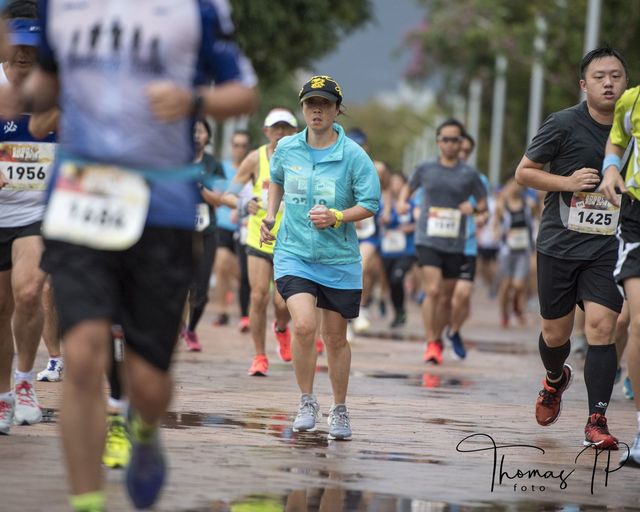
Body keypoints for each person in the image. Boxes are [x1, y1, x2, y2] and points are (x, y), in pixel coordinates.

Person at [0, 2, 257, 511]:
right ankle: (87, 502)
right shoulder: (61, 7)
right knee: (82, 355)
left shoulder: (198, 8)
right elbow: (45, 90)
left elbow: (243, 91)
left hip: (162, 205)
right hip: (82, 197)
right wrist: (23, 90)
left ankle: (142, 428)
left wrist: (192, 99)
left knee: (149, 383)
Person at [515, 47, 628, 450]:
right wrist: (567, 182)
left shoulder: (633, 130)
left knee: (602, 328)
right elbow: (524, 173)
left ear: (626, 83)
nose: (608, 83)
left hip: (609, 247)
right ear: (584, 85)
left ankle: (597, 419)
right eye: (599, 77)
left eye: (616, 76)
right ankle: (555, 379)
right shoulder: (563, 123)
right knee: (555, 335)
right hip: (560, 244)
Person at [261, 75, 380, 440]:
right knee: (302, 326)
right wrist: (271, 215)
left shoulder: (354, 156)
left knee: (335, 338)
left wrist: (337, 216)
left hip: (338, 258)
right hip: (293, 251)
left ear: (336, 110)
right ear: (302, 109)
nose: (317, 111)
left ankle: (340, 409)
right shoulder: (287, 148)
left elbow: (371, 203)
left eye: (325, 104)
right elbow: (276, 179)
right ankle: (306, 401)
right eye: (311, 104)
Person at [0, 5, 56, 433]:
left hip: (36, 213)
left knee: (29, 291)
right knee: (1, 307)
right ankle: (3, 395)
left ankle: (24, 382)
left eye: (32, 46)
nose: (23, 54)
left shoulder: (58, 92)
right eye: (17, 44)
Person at [397, 119, 487, 365]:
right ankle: (430, 342)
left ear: (461, 143)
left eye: (455, 140)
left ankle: (438, 338)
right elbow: (408, 188)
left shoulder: (469, 174)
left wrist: (473, 210)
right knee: (433, 290)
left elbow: (483, 207)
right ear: (438, 142)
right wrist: (402, 202)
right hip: (427, 238)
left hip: (455, 243)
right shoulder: (425, 168)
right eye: (445, 139)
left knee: (446, 297)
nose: (450, 144)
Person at [222, 108, 295, 376]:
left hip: (291, 240)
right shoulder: (255, 158)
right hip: (258, 238)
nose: (281, 133)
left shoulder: (303, 158)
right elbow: (228, 195)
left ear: (295, 132)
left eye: (286, 128)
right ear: (266, 131)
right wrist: (244, 203)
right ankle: (259, 356)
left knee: (283, 302)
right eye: (276, 128)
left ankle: (281, 328)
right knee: (258, 296)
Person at [599, 82, 640, 463]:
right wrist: (611, 168)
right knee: (635, 320)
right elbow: (617, 140)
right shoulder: (633, 100)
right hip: (637, 216)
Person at [181, 118, 225, 352]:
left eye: (201, 131)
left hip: (207, 231)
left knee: (200, 288)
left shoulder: (213, 165)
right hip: (178, 230)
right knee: (178, 282)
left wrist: (199, 186)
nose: (196, 135)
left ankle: (191, 328)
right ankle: (177, 325)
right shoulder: (177, 159)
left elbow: (218, 199)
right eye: (193, 130)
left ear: (208, 137)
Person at [446, 132, 489, 358]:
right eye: (457, 147)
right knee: (442, 297)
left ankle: (453, 331)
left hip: (466, 245)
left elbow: (484, 212)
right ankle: (435, 338)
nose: (461, 153)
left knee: (462, 295)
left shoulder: (478, 179)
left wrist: (477, 215)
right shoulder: (434, 175)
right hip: (440, 245)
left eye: (466, 151)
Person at [214, 129, 251, 331]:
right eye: (236, 145)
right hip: (224, 225)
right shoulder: (223, 168)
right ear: (231, 146)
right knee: (221, 263)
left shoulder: (253, 167)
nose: (240, 149)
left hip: (246, 228)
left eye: (243, 145)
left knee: (244, 275)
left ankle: (247, 308)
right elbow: (218, 195)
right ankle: (222, 311)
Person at [494, 176, 536, 328]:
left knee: (518, 284)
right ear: (507, 186)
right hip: (507, 251)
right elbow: (496, 224)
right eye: (512, 184)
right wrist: (496, 233)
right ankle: (504, 314)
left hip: (523, 251)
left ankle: (516, 306)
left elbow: (535, 221)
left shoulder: (528, 205)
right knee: (505, 286)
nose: (515, 187)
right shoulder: (501, 206)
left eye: (519, 184)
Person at [379, 173, 416, 328]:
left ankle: (401, 311)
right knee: (391, 283)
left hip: (406, 250)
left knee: (397, 278)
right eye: (392, 182)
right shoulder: (384, 203)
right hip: (388, 250)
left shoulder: (411, 204)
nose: (395, 185)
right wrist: (384, 216)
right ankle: (397, 311)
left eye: (398, 182)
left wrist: (409, 228)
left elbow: (420, 222)